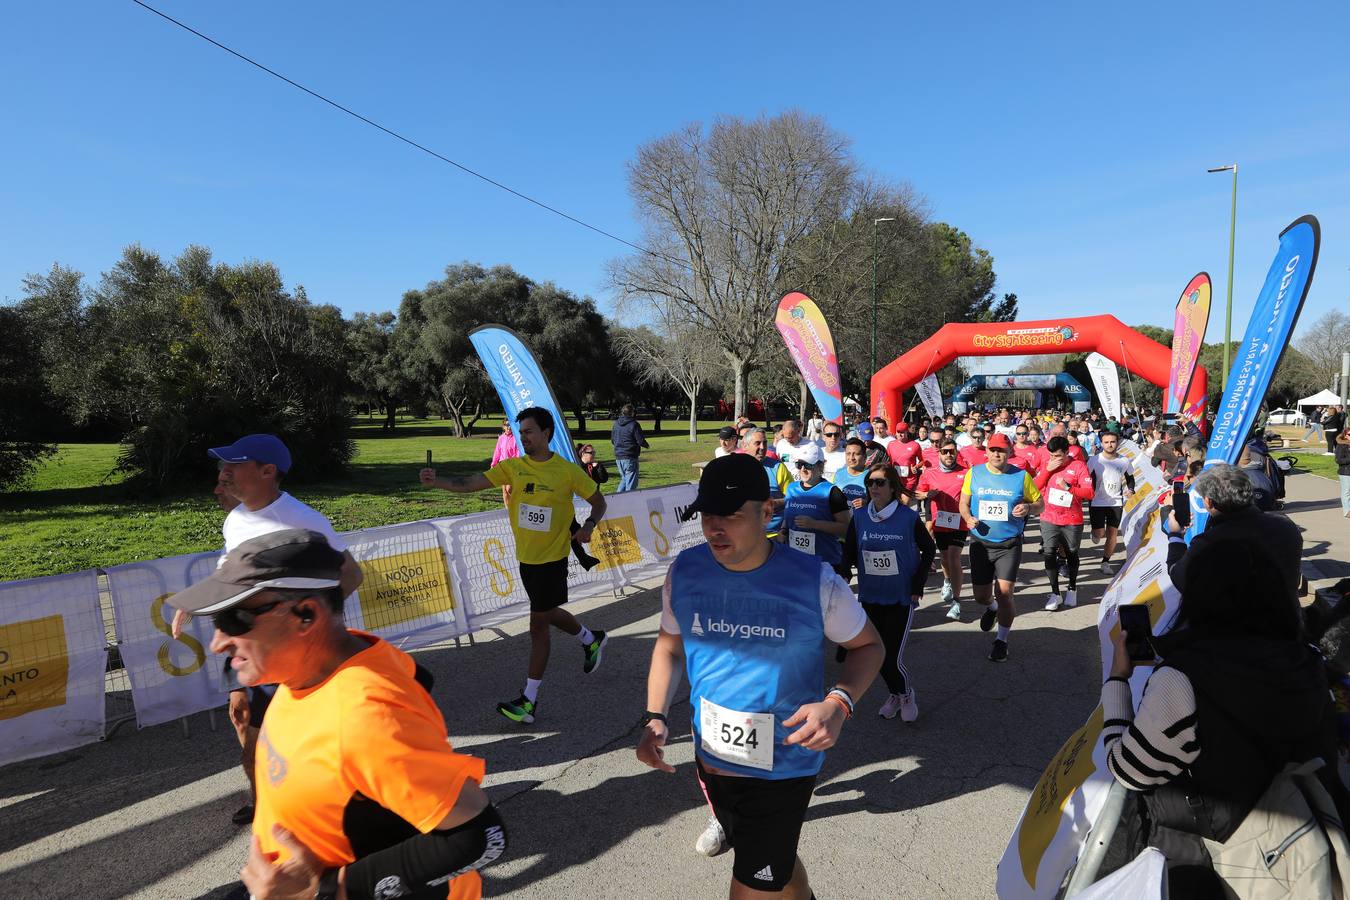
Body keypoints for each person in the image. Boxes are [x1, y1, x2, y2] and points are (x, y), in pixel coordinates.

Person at [168, 530, 506, 900]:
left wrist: (323, 891)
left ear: (306, 614)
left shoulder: (365, 714)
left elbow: (480, 836)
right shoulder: (326, 659)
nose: (218, 643)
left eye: (235, 620)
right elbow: (416, 676)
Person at [636, 453, 883, 900]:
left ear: (767, 511)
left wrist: (839, 702)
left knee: (751, 887)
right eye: (707, 515)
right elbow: (669, 647)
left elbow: (869, 646)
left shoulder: (816, 582)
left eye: (730, 516)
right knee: (775, 865)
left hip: (784, 767)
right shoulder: (685, 572)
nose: (714, 528)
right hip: (712, 758)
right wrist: (654, 716)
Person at [1103, 535, 1342, 898]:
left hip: (1216, 855)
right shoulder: (1306, 659)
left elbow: (1129, 771)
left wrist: (1118, 680)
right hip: (1300, 839)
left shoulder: (1182, 679)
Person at [174, 433, 365, 827]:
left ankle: (324, 805)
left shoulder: (303, 520)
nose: (223, 474)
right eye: (223, 466)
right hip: (245, 638)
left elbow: (351, 574)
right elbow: (230, 570)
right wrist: (195, 607)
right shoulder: (235, 517)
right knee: (241, 717)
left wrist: (305, 626)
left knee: (305, 735)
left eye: (234, 465)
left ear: (267, 471)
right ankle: (264, 799)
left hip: (288, 649)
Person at [421, 407, 608, 724]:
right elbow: (471, 483)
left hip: (552, 560)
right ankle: (592, 639)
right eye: (521, 433)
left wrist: (589, 524)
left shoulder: (566, 471)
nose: (524, 438)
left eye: (530, 432)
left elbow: (599, 500)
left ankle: (529, 701)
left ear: (547, 433)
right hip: (527, 561)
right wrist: (437, 481)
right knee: (547, 614)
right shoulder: (513, 468)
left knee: (538, 628)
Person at [843, 463, 935, 721]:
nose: (874, 487)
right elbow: (849, 551)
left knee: (891, 658)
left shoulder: (907, 517)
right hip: (870, 595)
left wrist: (917, 585)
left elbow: (928, 549)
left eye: (880, 482)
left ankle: (905, 694)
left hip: (900, 596)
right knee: (875, 655)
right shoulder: (860, 516)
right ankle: (894, 694)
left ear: (893, 487)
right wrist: (841, 576)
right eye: (870, 482)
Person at [959, 433, 1043, 662]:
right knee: (981, 596)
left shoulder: (1021, 476)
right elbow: (964, 503)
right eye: (993, 449)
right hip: (980, 543)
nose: (997, 454)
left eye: (1002, 450)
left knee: (1005, 593)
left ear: (1009, 453)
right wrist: (967, 518)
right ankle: (992, 607)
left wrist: (1028, 508)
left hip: (1009, 544)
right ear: (986, 451)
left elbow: (1040, 505)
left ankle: (1001, 641)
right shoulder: (974, 473)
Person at [1168, 464, 1303, 603]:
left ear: (1208, 501)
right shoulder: (1286, 526)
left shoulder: (1209, 542)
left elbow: (1180, 579)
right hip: (1287, 619)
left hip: (1236, 623)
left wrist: (1175, 536)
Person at [1033, 436, 1094, 611]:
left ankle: (1072, 588)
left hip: (1071, 519)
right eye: (1051, 455)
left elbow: (1089, 493)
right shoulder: (1048, 465)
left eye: (1058, 456)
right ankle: (1055, 593)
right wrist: (1046, 470)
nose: (1054, 459)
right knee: (1049, 552)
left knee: (1071, 553)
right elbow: (1034, 487)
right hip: (1049, 517)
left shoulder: (1078, 466)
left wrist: (1068, 487)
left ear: (1067, 453)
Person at [914, 438, 968, 621]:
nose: (948, 455)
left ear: (956, 453)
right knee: (945, 558)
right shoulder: (930, 473)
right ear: (939, 453)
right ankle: (947, 581)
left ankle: (957, 601)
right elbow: (917, 493)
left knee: (954, 557)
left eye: (951, 451)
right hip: (940, 521)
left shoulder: (966, 473)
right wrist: (927, 495)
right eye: (945, 451)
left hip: (960, 522)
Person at [779, 444, 852, 577]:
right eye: (799, 464)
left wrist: (815, 524)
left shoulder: (832, 492)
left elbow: (846, 529)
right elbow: (788, 517)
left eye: (808, 465)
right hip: (796, 561)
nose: (803, 469)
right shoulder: (791, 488)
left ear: (820, 466)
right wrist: (783, 530)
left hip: (825, 564)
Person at [1087, 430, 1135, 575]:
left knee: (1112, 533)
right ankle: (1095, 533)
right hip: (1097, 501)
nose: (1110, 445)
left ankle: (1105, 562)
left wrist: (1131, 489)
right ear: (1101, 444)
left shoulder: (1124, 461)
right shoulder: (1094, 460)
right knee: (1099, 533)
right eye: (1106, 442)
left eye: (1112, 442)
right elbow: (1085, 478)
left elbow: (1130, 478)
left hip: (1116, 502)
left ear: (1117, 443)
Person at [741, 428, 792, 537]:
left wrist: (775, 503)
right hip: (744, 535)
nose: (762, 448)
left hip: (774, 535)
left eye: (764, 443)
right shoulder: (734, 468)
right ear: (745, 446)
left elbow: (794, 498)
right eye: (757, 443)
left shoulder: (778, 468)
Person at [611, 403, 651, 492]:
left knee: (625, 479)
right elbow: (640, 441)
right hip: (630, 457)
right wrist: (646, 445)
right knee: (631, 484)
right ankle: (630, 502)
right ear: (632, 413)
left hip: (619, 457)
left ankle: (617, 500)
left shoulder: (616, 424)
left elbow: (613, 440)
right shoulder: (634, 424)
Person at [885, 422, 925, 502]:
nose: (900, 434)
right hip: (895, 479)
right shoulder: (891, 444)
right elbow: (888, 460)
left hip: (909, 480)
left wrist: (916, 467)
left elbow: (923, 460)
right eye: (898, 432)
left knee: (904, 503)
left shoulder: (915, 445)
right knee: (895, 503)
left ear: (907, 432)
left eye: (902, 432)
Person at [833, 437, 870, 511]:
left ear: (864, 457)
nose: (851, 458)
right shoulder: (838, 473)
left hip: (863, 519)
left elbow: (882, 501)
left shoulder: (871, 476)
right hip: (843, 520)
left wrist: (867, 503)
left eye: (856, 454)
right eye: (848, 454)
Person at [1337, 428, 1350, 518]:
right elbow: (1338, 460)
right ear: (1345, 435)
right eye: (1349, 434)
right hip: (1346, 472)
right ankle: (1347, 511)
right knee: (1346, 492)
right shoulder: (1341, 445)